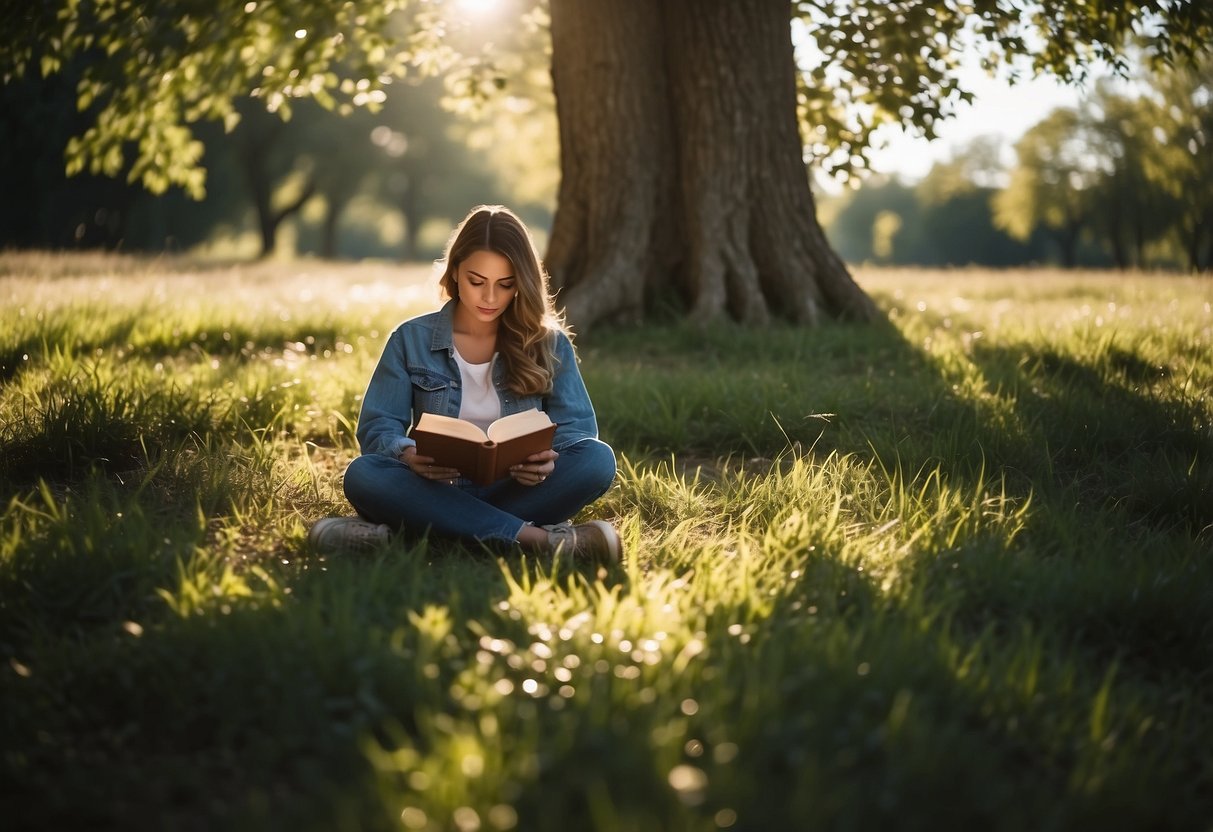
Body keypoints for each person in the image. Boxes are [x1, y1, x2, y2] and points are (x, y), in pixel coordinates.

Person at [309, 205, 621, 563]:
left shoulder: (548, 343)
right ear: (455, 271)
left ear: (522, 282)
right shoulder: (410, 339)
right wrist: (408, 455)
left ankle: (408, 531)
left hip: (517, 489)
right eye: (477, 281)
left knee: (597, 459)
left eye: (505, 285)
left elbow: (577, 432)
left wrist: (545, 463)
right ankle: (539, 540)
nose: (490, 298)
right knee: (364, 474)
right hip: (434, 486)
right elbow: (378, 427)